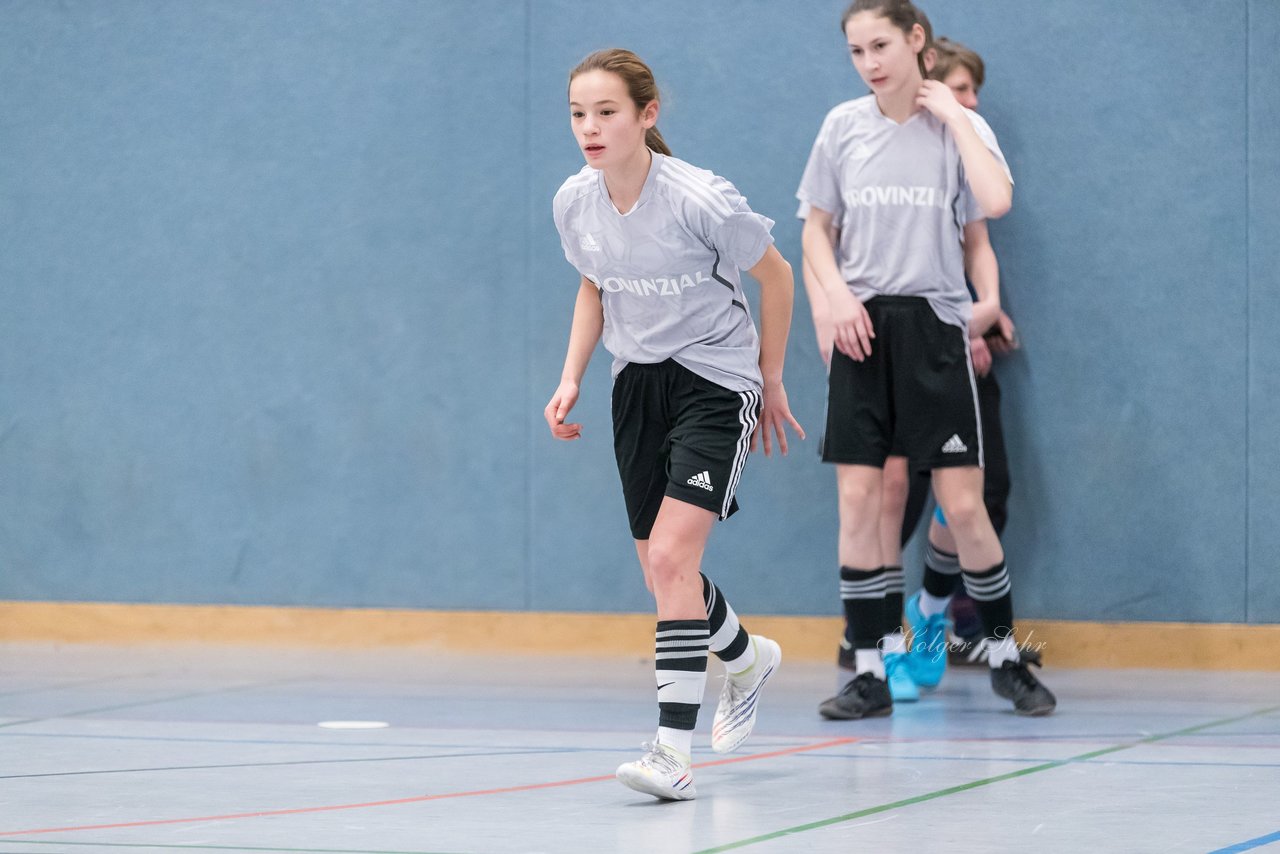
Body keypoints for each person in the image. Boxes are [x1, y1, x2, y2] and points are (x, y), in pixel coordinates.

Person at [546, 48, 806, 800]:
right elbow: (594, 288)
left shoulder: (702, 198)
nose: (590, 129)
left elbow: (777, 276)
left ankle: (671, 753)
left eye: (606, 112)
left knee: (669, 561)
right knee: (665, 572)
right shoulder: (575, 202)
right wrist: (570, 378)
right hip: (636, 387)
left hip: (716, 382)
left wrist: (772, 374)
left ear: (646, 115)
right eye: (577, 114)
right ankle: (748, 658)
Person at [797, 0, 1055, 720]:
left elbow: (996, 203)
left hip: (936, 332)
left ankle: (1004, 658)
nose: (870, 62)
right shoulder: (841, 128)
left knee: (964, 505)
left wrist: (957, 117)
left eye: (881, 44)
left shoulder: (958, 129)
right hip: (862, 331)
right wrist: (837, 297)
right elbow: (815, 231)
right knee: (860, 502)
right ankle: (870, 668)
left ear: (918, 42)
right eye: (856, 51)